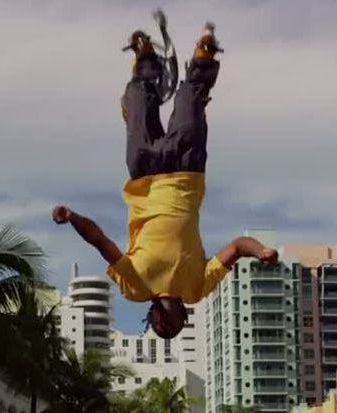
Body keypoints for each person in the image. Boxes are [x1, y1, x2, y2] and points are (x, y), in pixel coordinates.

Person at [52, 16, 278, 340]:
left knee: (139, 102)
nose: (166, 326)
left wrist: (72, 217)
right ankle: (204, 55)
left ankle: (144, 58)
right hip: (187, 172)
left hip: (144, 174)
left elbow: (100, 241)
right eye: (173, 328)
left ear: (153, 317)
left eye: (160, 328)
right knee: (189, 104)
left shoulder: (135, 287)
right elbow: (238, 247)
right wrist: (262, 251)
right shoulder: (197, 288)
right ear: (184, 318)